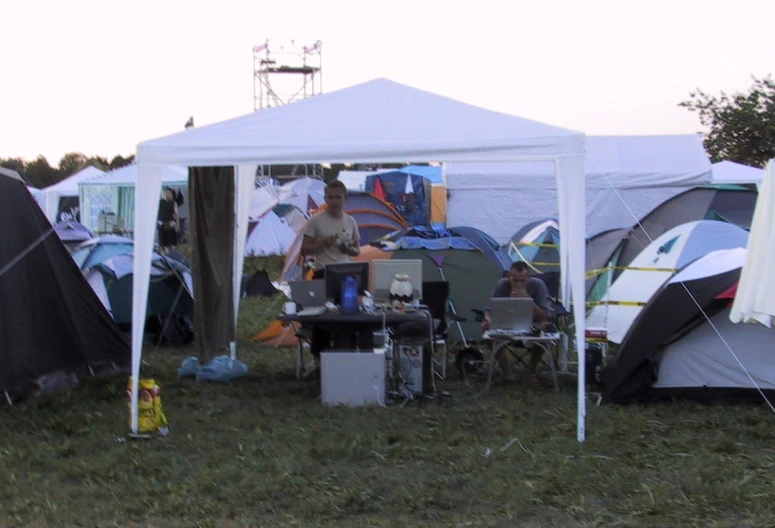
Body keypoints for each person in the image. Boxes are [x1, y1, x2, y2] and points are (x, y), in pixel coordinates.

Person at [299, 180, 361, 359]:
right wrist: (324, 242)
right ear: (325, 198)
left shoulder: (351, 221)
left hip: (347, 274)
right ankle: (320, 357)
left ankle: (348, 352)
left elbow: (357, 250)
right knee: (323, 318)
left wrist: (347, 250)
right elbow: (304, 249)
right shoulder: (316, 220)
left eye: (337, 197)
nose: (333, 201)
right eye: (330, 197)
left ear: (345, 198)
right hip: (323, 272)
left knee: (349, 316)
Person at [482, 261, 552, 382]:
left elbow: (544, 317)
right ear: (509, 276)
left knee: (544, 326)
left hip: (532, 325)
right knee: (485, 327)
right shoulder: (502, 285)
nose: (518, 284)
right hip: (505, 325)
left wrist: (528, 300)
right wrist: (490, 321)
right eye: (515, 280)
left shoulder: (538, 285)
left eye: (522, 281)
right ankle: (505, 368)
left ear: (528, 278)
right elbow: (488, 311)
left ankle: (530, 370)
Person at [157, 187, 179, 253]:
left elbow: (177, 214)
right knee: (161, 242)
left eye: (169, 193)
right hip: (161, 223)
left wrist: (177, 225)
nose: (167, 195)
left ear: (171, 194)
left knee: (170, 242)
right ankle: (163, 253)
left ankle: (170, 254)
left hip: (170, 223)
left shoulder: (173, 203)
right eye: (166, 193)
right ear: (163, 194)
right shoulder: (160, 202)